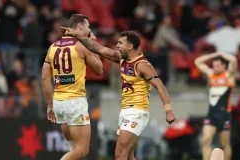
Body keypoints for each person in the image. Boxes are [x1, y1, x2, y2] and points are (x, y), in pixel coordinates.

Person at [63, 28, 176, 160]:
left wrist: (168, 110)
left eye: (120, 43)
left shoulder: (142, 65)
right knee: (128, 156)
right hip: (126, 111)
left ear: (130, 46)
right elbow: (99, 49)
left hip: (137, 111)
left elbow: (160, 87)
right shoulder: (121, 59)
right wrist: (78, 36)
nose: (117, 46)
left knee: (119, 153)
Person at [41, 14, 103, 160]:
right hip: (75, 102)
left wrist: (49, 105)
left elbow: (44, 78)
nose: (89, 30)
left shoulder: (52, 47)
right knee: (82, 150)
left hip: (58, 102)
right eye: (88, 27)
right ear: (80, 26)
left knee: (73, 148)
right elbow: (99, 70)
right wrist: (91, 44)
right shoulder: (82, 45)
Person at [195, 52, 237, 160]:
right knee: (206, 140)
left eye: (218, 66)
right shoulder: (211, 75)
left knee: (224, 144)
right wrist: (212, 55)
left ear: (224, 65)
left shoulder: (228, 76)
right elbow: (197, 62)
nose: (216, 68)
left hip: (224, 115)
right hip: (211, 115)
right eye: (214, 66)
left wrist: (221, 54)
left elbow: (233, 60)